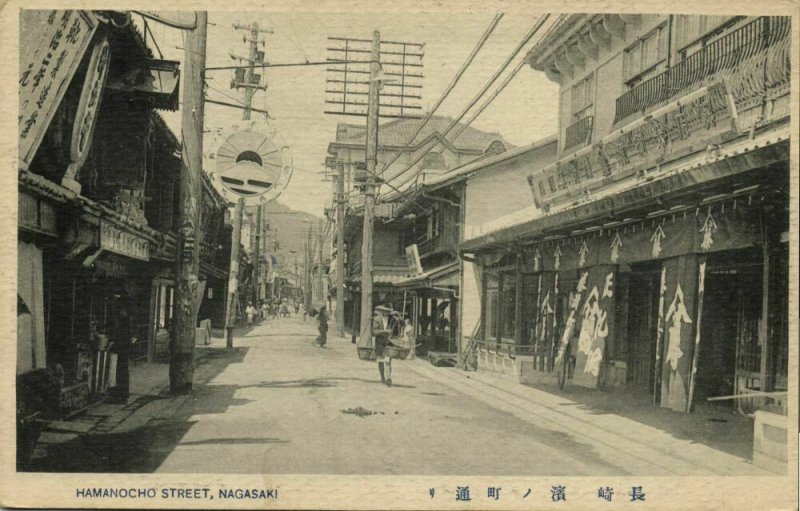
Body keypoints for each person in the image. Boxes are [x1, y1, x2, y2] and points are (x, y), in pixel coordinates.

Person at [108, 296, 136, 403]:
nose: (120, 312)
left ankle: (122, 394)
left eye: (121, 310)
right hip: (123, 347)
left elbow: (120, 334)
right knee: (122, 371)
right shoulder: (127, 320)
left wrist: (112, 342)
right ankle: (122, 393)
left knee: (121, 371)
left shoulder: (125, 321)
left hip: (122, 347)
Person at [373, 305, 393, 386]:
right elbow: (375, 331)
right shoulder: (377, 319)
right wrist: (385, 331)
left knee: (388, 361)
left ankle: (388, 378)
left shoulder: (392, 319)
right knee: (381, 361)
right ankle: (382, 377)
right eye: (385, 311)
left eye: (388, 311)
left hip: (389, 342)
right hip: (380, 343)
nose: (386, 313)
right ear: (382, 311)